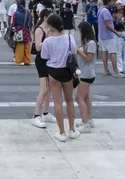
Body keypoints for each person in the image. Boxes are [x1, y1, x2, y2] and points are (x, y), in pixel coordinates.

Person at [40, 13, 79, 142]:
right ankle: (72, 130)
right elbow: (73, 53)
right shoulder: (69, 38)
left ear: (51, 26)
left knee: (57, 102)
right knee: (69, 101)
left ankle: (61, 132)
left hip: (53, 71)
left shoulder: (48, 40)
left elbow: (45, 56)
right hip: (67, 71)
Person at [31, 9, 55, 128]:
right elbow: (38, 47)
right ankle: (36, 115)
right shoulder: (39, 30)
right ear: (45, 17)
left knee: (49, 88)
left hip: (49, 60)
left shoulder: (50, 29)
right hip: (41, 60)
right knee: (44, 89)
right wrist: (49, 39)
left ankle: (46, 113)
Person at [74, 21, 96, 133]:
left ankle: (85, 123)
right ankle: (88, 119)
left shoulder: (91, 43)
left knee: (79, 98)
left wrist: (78, 51)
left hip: (87, 74)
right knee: (86, 98)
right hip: (84, 72)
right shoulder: (86, 42)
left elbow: (88, 59)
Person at [98, 0, 125, 77]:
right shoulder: (106, 11)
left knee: (104, 52)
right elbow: (108, 24)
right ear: (109, 1)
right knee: (113, 52)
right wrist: (116, 33)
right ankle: (116, 71)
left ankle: (105, 70)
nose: (114, 4)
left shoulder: (100, 10)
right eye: (113, 2)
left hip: (102, 34)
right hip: (108, 35)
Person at [8, 0, 33, 66]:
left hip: (18, 30)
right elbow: (30, 22)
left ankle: (19, 60)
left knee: (19, 45)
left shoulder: (16, 13)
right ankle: (27, 60)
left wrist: (12, 29)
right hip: (26, 30)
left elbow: (13, 23)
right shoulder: (27, 12)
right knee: (27, 45)